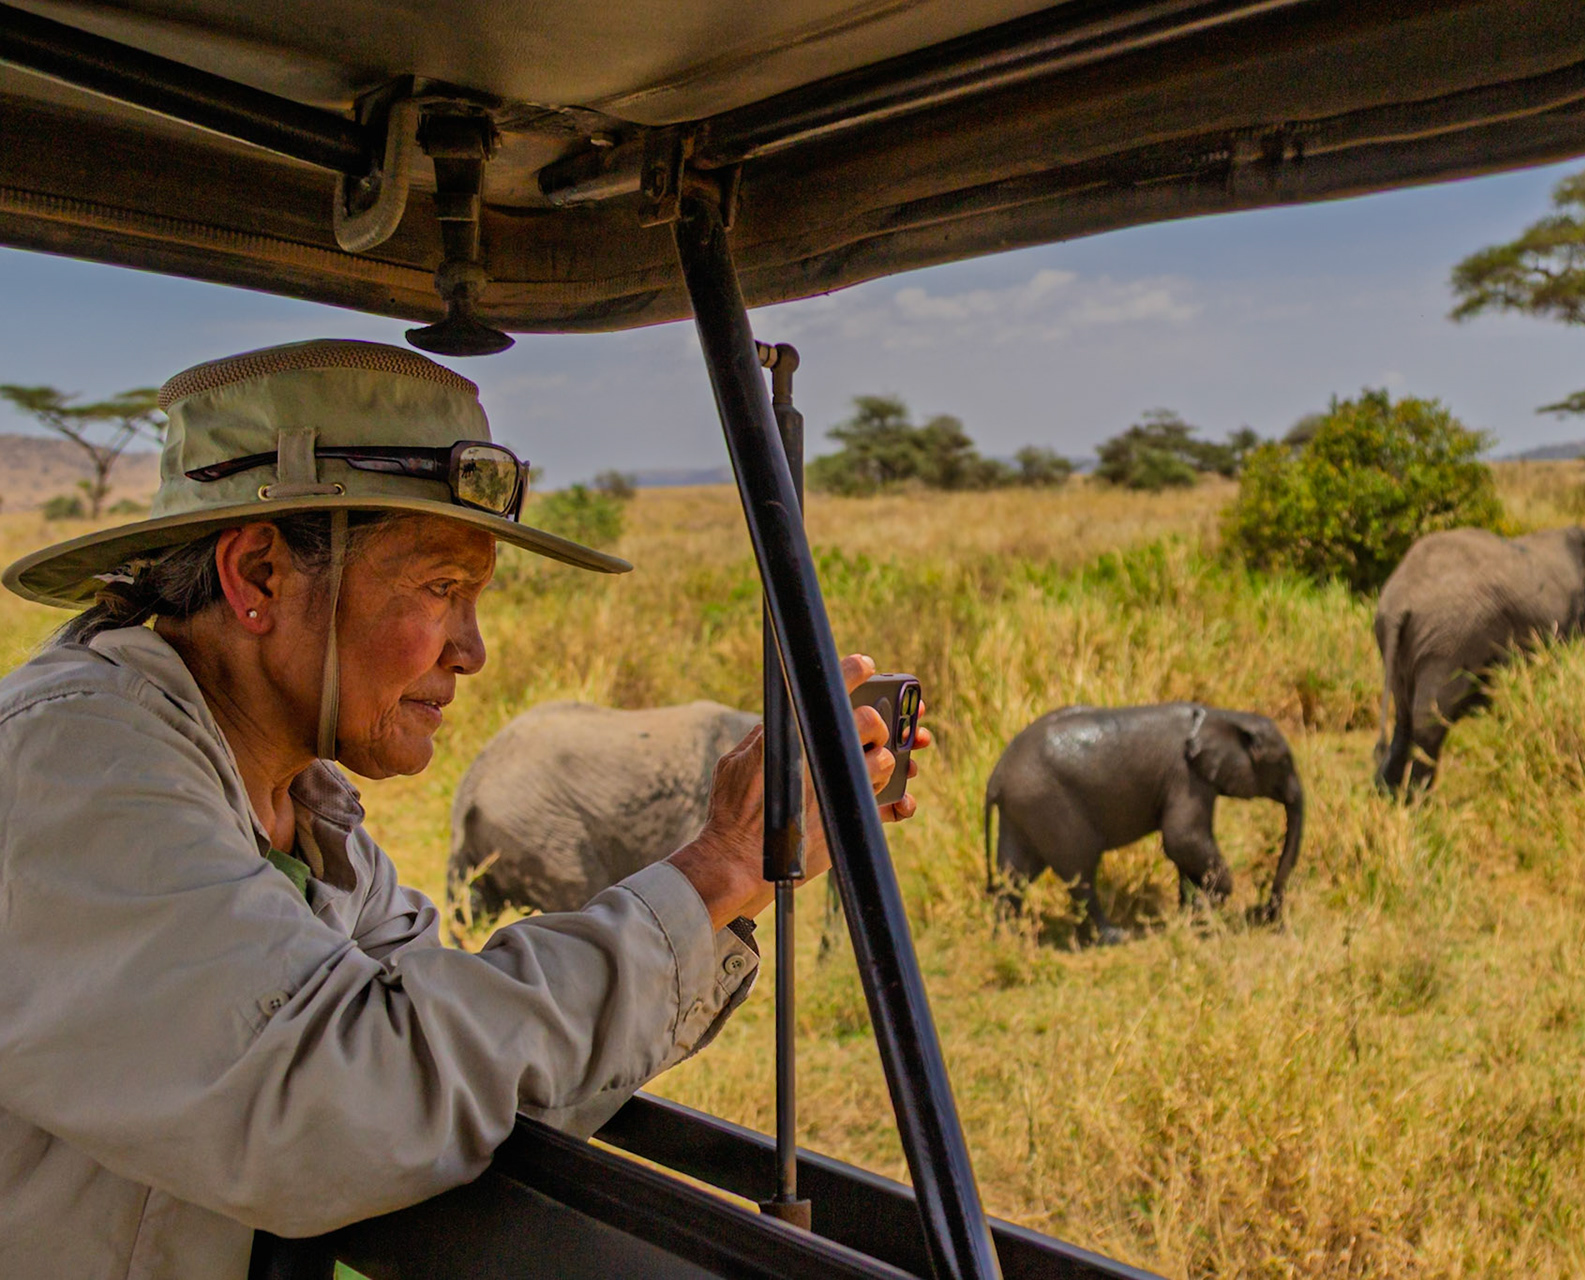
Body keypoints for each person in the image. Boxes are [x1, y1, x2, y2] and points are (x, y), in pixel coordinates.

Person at [0, 339, 926, 1278]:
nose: (472, 649)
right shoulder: (77, 759)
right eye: (441, 590)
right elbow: (347, 1108)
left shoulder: (306, 814)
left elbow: (465, 1088)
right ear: (258, 578)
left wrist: (736, 879)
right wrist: (715, 869)